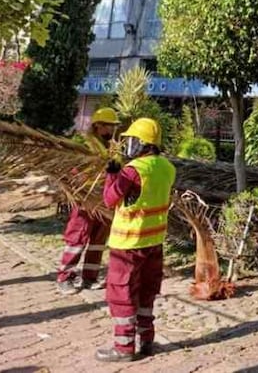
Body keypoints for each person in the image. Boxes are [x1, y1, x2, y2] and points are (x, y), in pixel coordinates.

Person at [96, 118, 176, 362]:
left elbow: (110, 200)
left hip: (128, 244)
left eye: (131, 141)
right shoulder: (167, 167)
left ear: (141, 143)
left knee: (122, 294)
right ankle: (147, 340)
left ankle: (123, 347)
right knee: (146, 292)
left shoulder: (133, 171)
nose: (128, 145)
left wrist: (112, 174)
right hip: (154, 241)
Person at [57, 107, 119, 295]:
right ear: (98, 126)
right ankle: (64, 279)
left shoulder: (112, 146)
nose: (112, 130)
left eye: (114, 126)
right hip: (86, 201)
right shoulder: (86, 145)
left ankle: (89, 278)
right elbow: (74, 172)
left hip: (104, 200)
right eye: (109, 126)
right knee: (77, 239)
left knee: (98, 242)